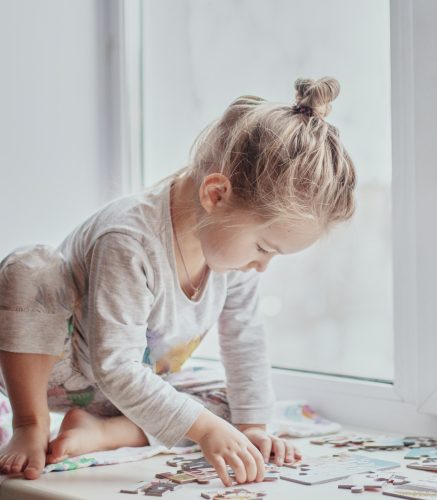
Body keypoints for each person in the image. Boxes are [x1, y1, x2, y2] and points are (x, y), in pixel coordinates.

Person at [0, 76, 356, 483]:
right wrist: (203, 429)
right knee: (31, 267)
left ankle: (104, 431)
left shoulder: (229, 257)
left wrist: (253, 427)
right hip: (53, 371)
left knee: (234, 407)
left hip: (124, 389)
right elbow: (115, 365)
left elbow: (246, 338)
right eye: (264, 248)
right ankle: (30, 423)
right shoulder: (129, 239)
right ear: (216, 195)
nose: (262, 267)